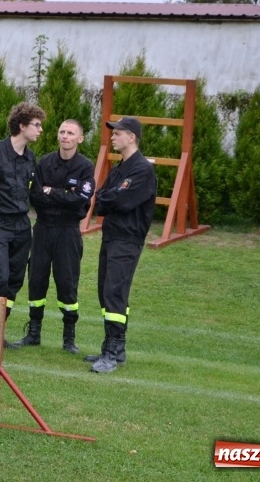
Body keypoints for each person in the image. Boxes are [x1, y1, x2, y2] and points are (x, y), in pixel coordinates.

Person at [13, 120, 95, 353]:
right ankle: (33, 332)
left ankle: (69, 338)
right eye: (62, 132)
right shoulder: (45, 162)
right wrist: (63, 195)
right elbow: (36, 196)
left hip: (68, 231)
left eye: (71, 133)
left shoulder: (85, 167)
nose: (65, 136)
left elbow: (81, 199)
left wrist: (54, 192)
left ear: (80, 138)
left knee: (67, 282)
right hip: (43, 228)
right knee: (36, 279)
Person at [86, 116, 156, 373]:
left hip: (127, 239)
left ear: (131, 137)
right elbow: (102, 200)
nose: (113, 137)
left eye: (118, 133)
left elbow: (123, 202)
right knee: (106, 292)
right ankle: (116, 347)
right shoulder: (119, 168)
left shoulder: (142, 169)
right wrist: (112, 196)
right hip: (111, 236)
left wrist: (112, 197)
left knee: (115, 293)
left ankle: (111, 354)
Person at [0, 102, 44, 347]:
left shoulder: (30, 158)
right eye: (36, 125)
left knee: (14, 280)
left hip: (22, 226)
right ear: (22, 125)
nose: (40, 130)